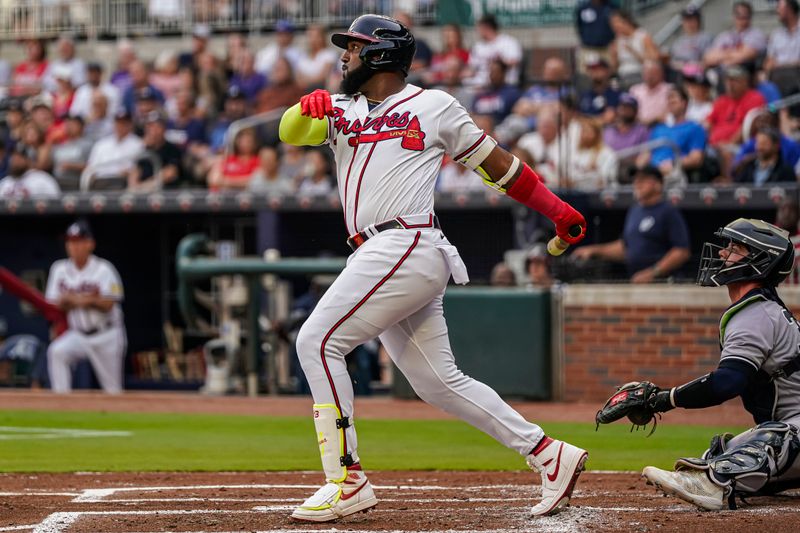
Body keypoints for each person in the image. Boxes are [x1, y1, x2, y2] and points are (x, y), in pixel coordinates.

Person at [278, 14, 589, 523]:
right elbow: (290, 132)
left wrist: (557, 210)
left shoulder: (433, 105)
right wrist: (302, 105)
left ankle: (346, 478)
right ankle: (549, 453)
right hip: (380, 252)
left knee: (316, 341)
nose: (344, 56)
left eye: (354, 48)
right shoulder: (339, 108)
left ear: (380, 54)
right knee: (437, 381)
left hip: (405, 240)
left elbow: (498, 165)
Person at [638, 218, 800, 511]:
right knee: (723, 452)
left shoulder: (757, 313)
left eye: (734, 248)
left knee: (772, 441)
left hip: (795, 429)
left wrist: (665, 399)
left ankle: (712, 484)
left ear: (760, 260)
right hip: (792, 424)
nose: (723, 254)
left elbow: (729, 381)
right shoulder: (759, 308)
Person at [46, 220, 126, 394]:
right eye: (70, 241)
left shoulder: (104, 269)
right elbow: (54, 304)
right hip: (78, 334)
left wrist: (75, 300)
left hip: (106, 335)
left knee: (113, 391)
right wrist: (89, 299)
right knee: (57, 352)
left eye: (78, 241)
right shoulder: (59, 269)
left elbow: (109, 303)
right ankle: (62, 404)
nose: (73, 246)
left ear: (90, 244)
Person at [573, 166, 690, 283]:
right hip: (637, 282)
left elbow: (681, 251)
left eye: (643, 180)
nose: (637, 184)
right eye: (635, 180)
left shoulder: (668, 211)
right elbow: (627, 247)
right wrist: (595, 250)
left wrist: (654, 272)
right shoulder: (634, 211)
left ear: (658, 184)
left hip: (664, 283)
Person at [639, 86, 706, 179]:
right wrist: (639, 169)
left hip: (675, 173)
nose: (670, 102)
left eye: (674, 99)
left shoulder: (694, 128)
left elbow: (696, 158)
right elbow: (646, 154)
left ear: (684, 103)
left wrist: (673, 164)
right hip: (652, 174)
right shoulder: (659, 128)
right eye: (668, 99)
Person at [703, 2, 767, 69]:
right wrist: (733, 53)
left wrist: (723, 56)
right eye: (738, 15)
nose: (741, 19)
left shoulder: (756, 34)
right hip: (722, 71)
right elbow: (708, 57)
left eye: (745, 16)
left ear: (750, 17)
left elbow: (746, 56)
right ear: (733, 16)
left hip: (744, 71)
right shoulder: (724, 35)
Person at [465, 14, 522, 87]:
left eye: (478, 28)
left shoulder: (508, 42)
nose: (477, 31)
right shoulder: (478, 46)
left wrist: (499, 62)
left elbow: (515, 61)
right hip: (480, 85)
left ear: (486, 27)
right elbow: (471, 68)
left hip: (505, 84)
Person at [609, 9, 660, 88]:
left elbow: (654, 60)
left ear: (625, 21)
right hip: (622, 75)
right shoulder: (618, 40)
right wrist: (613, 55)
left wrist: (633, 51)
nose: (614, 27)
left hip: (640, 75)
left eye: (616, 23)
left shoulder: (643, 36)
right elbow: (614, 68)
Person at [764, 0, 800, 100]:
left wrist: (781, 65)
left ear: (789, 10)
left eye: (779, 8)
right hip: (778, 74)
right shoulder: (776, 34)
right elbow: (769, 60)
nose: (777, 11)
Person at [471, 60, 521, 125]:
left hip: (501, 129)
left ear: (503, 73)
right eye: (491, 72)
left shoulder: (512, 93)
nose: (492, 75)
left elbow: (516, 115)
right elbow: (473, 113)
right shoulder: (481, 94)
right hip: (479, 128)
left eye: (496, 72)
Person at [669, 6, 713, 75]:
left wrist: (687, 67)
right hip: (678, 74)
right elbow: (671, 62)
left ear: (698, 21)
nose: (689, 23)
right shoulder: (678, 42)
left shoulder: (706, 38)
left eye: (692, 19)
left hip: (697, 75)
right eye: (686, 20)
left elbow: (707, 62)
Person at [574, 0, 616, 72]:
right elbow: (579, 27)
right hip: (588, 48)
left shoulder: (612, 7)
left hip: (607, 49)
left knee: (609, 73)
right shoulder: (583, 8)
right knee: (585, 74)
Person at [578, 55, 619, 123]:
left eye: (598, 68)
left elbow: (609, 118)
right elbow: (578, 118)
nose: (594, 72)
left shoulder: (616, 95)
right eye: (591, 69)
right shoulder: (584, 96)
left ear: (607, 71)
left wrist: (589, 120)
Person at [629, 61, 671, 127]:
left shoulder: (669, 90)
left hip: (662, 126)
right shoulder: (635, 90)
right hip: (638, 127)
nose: (650, 76)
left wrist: (654, 120)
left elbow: (671, 113)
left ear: (661, 74)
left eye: (653, 73)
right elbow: (630, 111)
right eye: (647, 73)